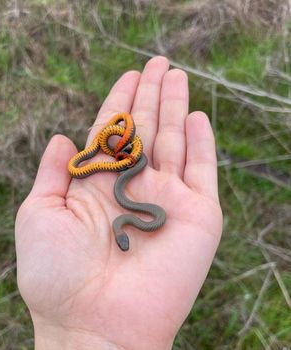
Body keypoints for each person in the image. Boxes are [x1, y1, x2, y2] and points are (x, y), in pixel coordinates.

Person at [15, 56, 223, 349]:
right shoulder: (130, 212)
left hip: (124, 150)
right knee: (85, 162)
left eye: (122, 242)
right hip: (120, 147)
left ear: (121, 235)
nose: (123, 244)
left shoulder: (135, 212)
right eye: (123, 242)